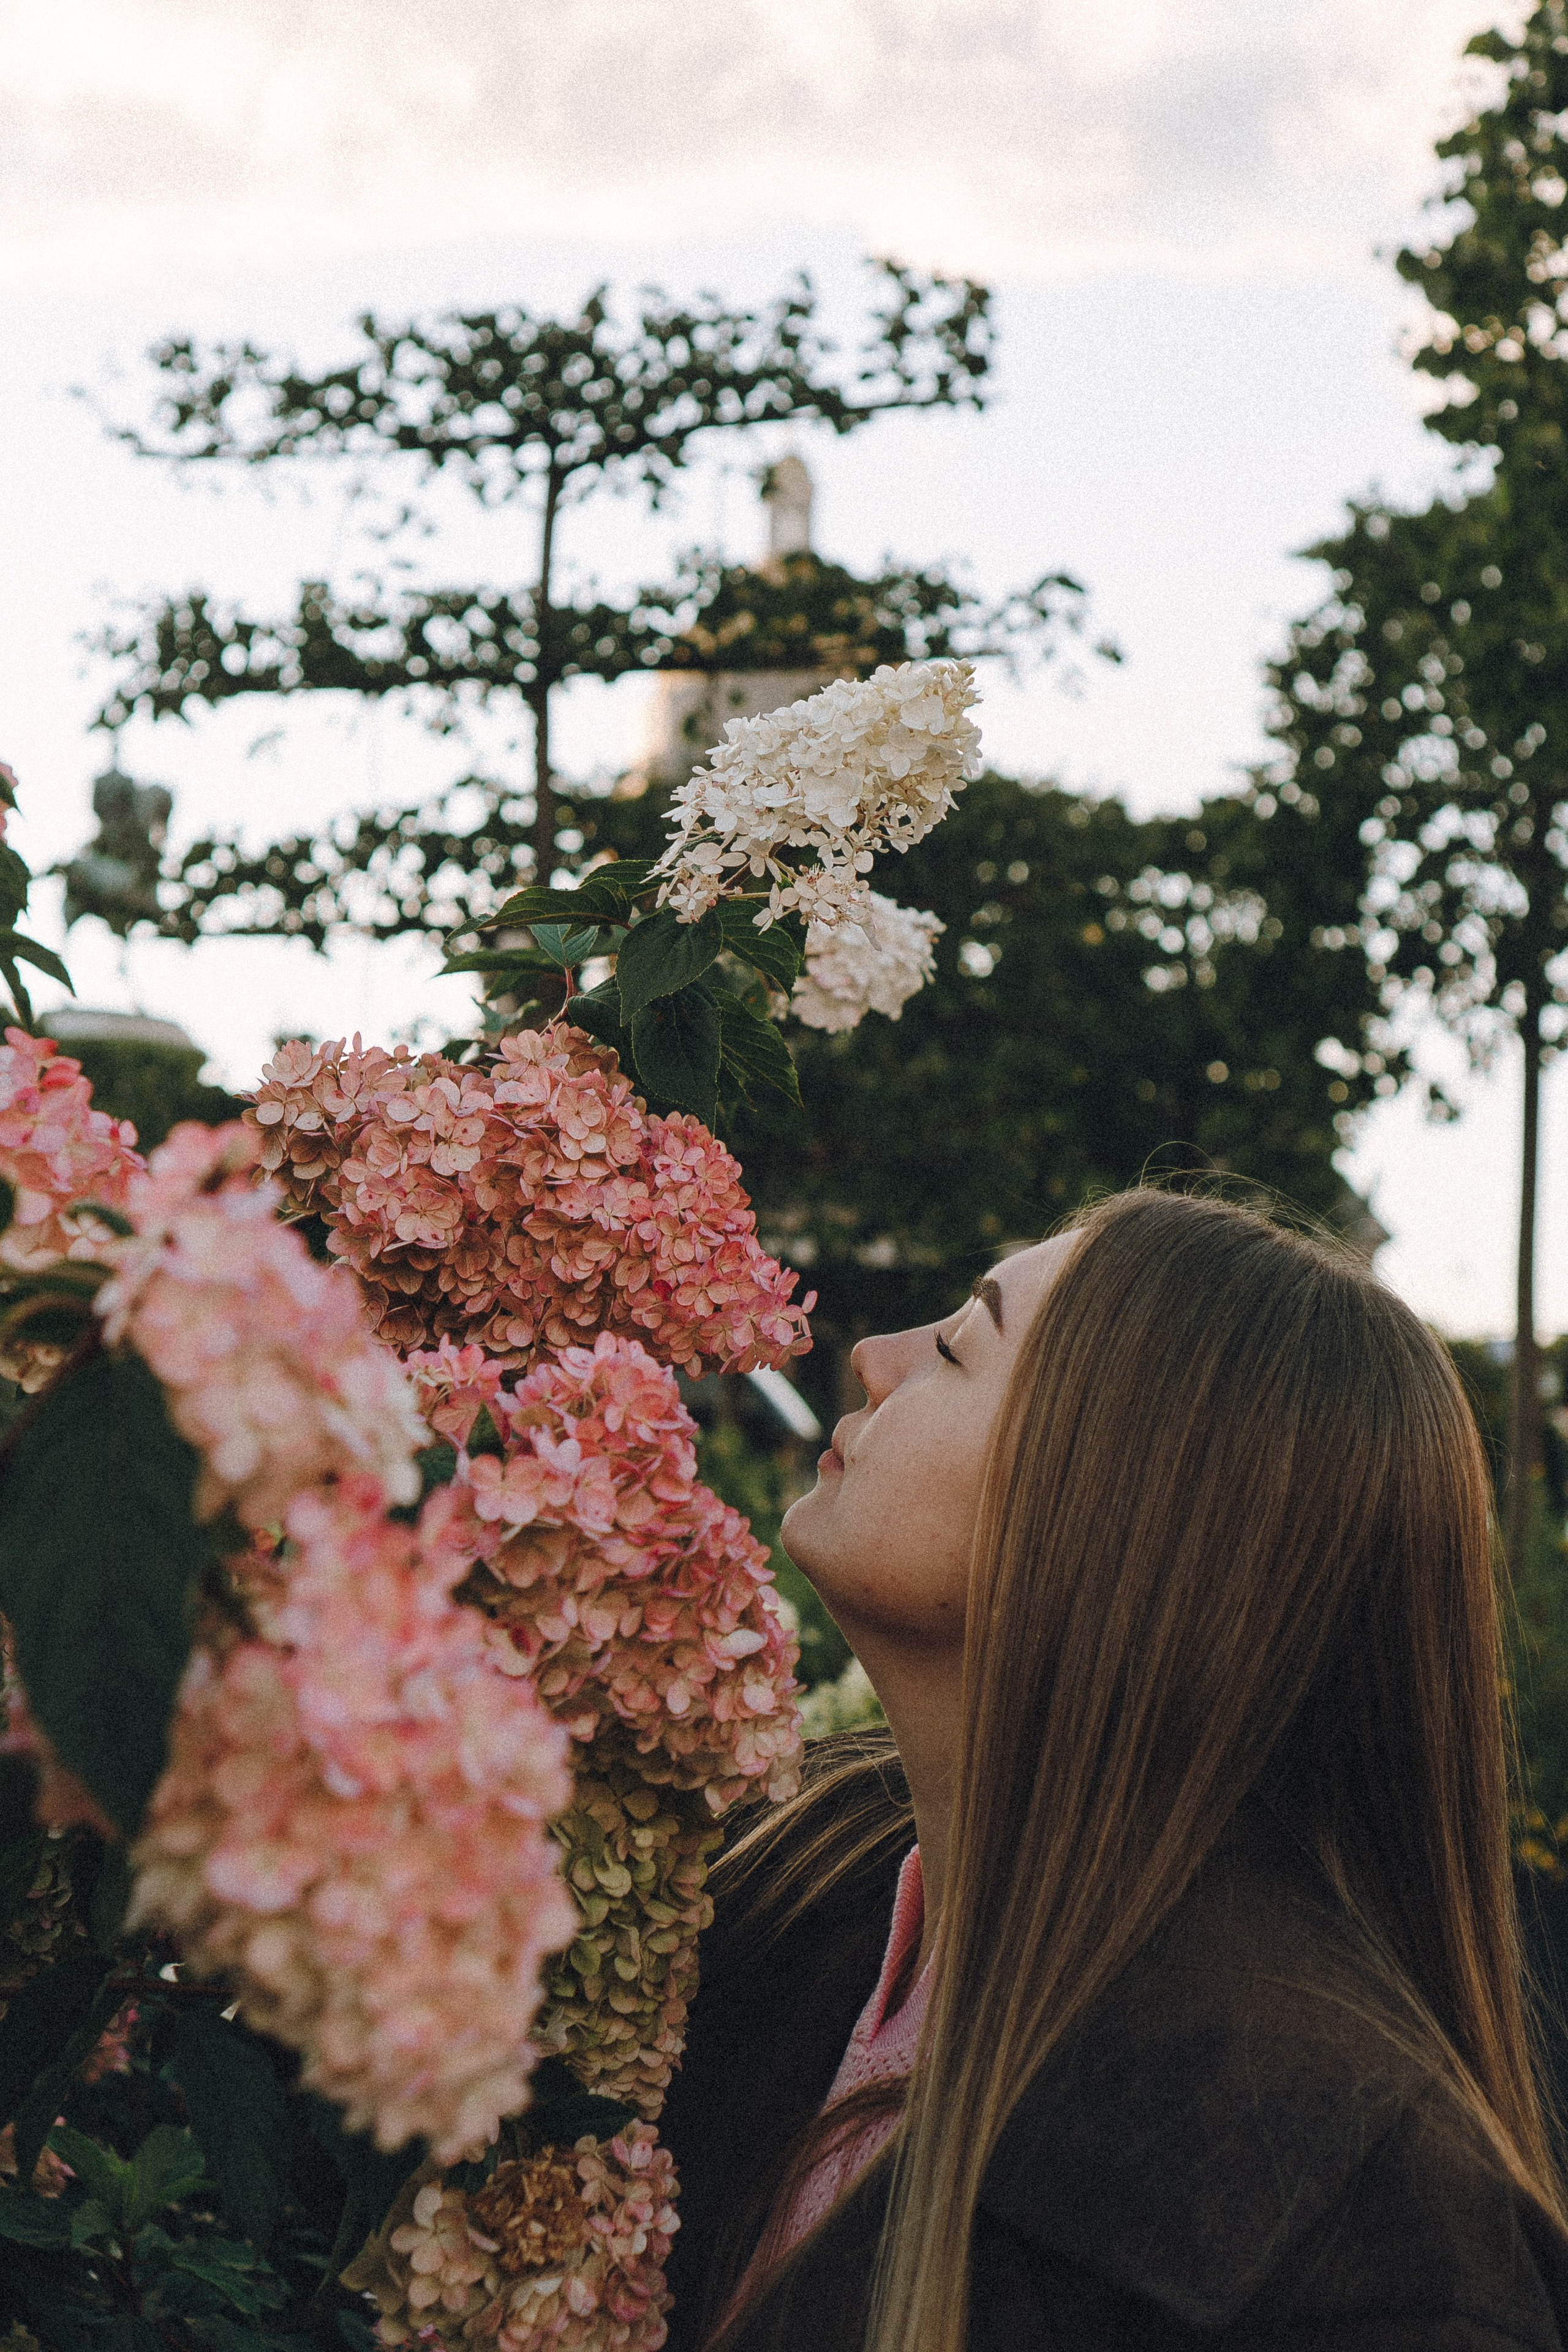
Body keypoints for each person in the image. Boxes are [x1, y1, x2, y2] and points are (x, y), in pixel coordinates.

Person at [656, 1187, 1568, 2351]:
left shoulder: (1364, 2246)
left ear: (1119, 1511)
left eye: (953, 1347)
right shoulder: (781, 1883)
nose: (869, 1362)